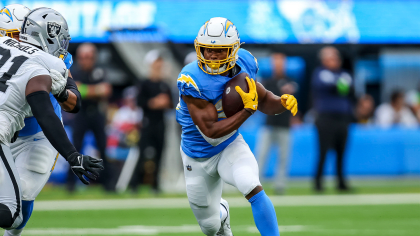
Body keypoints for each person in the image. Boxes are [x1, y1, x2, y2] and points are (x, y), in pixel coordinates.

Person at [176, 17, 297, 236]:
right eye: (207, 50)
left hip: (229, 145)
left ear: (233, 50)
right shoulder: (191, 78)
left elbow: (263, 98)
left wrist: (282, 103)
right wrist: (247, 111)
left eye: (220, 50)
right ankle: (221, 212)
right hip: (197, 154)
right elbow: (210, 131)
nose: (212, 55)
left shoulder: (245, 65)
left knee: (252, 186)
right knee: (210, 226)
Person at [0, 7, 103, 230]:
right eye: (10, 37)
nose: (18, 42)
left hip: (39, 134)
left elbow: (73, 104)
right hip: (7, 130)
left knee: (23, 196)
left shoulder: (49, 61)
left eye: (19, 35)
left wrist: (60, 91)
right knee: (9, 208)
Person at [68, 43, 112, 192]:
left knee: (103, 148)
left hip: (97, 114)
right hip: (80, 113)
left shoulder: (100, 71)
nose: (85, 60)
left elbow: (106, 90)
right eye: (82, 57)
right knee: (75, 149)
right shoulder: (74, 71)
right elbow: (77, 90)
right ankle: (70, 184)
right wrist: (95, 90)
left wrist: (86, 90)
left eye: (88, 57)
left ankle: (108, 185)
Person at [312, 46, 354, 192]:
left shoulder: (344, 73)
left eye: (336, 58)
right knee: (323, 151)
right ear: (324, 60)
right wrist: (339, 85)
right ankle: (318, 183)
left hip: (343, 117)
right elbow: (336, 86)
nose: (335, 61)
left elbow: (347, 88)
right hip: (326, 118)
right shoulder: (320, 73)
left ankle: (341, 182)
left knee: (341, 152)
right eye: (331, 58)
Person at [129, 50, 172, 194]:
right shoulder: (144, 83)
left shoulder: (164, 84)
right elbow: (140, 102)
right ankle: (135, 184)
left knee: (160, 153)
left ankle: (155, 184)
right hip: (147, 122)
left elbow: (171, 103)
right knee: (143, 153)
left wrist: (163, 103)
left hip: (161, 122)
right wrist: (154, 102)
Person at [256, 53, 298, 194]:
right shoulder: (267, 82)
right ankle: (255, 183)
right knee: (261, 155)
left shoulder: (291, 82)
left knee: (283, 157)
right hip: (269, 124)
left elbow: (296, 101)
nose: (278, 65)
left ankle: (280, 184)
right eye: (276, 62)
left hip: (284, 124)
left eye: (281, 62)